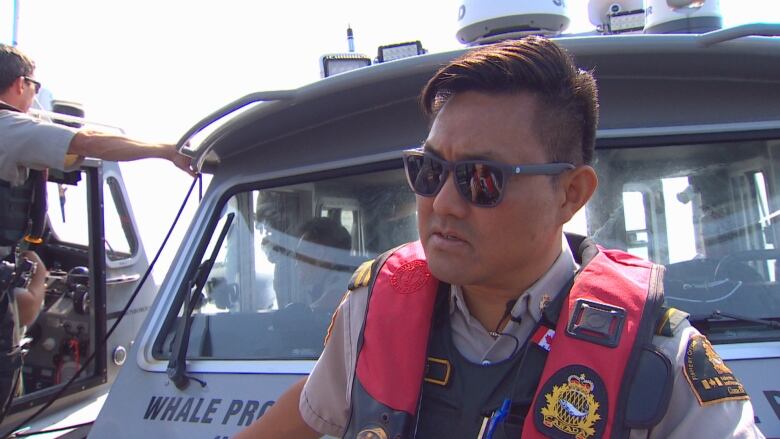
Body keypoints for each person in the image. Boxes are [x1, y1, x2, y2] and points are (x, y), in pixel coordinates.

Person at [236, 37, 764, 439]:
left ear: (570, 195)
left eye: (481, 179)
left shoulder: (662, 365)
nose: (442, 201)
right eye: (428, 170)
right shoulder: (372, 311)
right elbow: (307, 414)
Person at [0, 43, 195, 417]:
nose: (35, 94)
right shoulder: (10, 128)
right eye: (34, 86)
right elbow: (88, 143)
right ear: (20, 84)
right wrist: (167, 150)